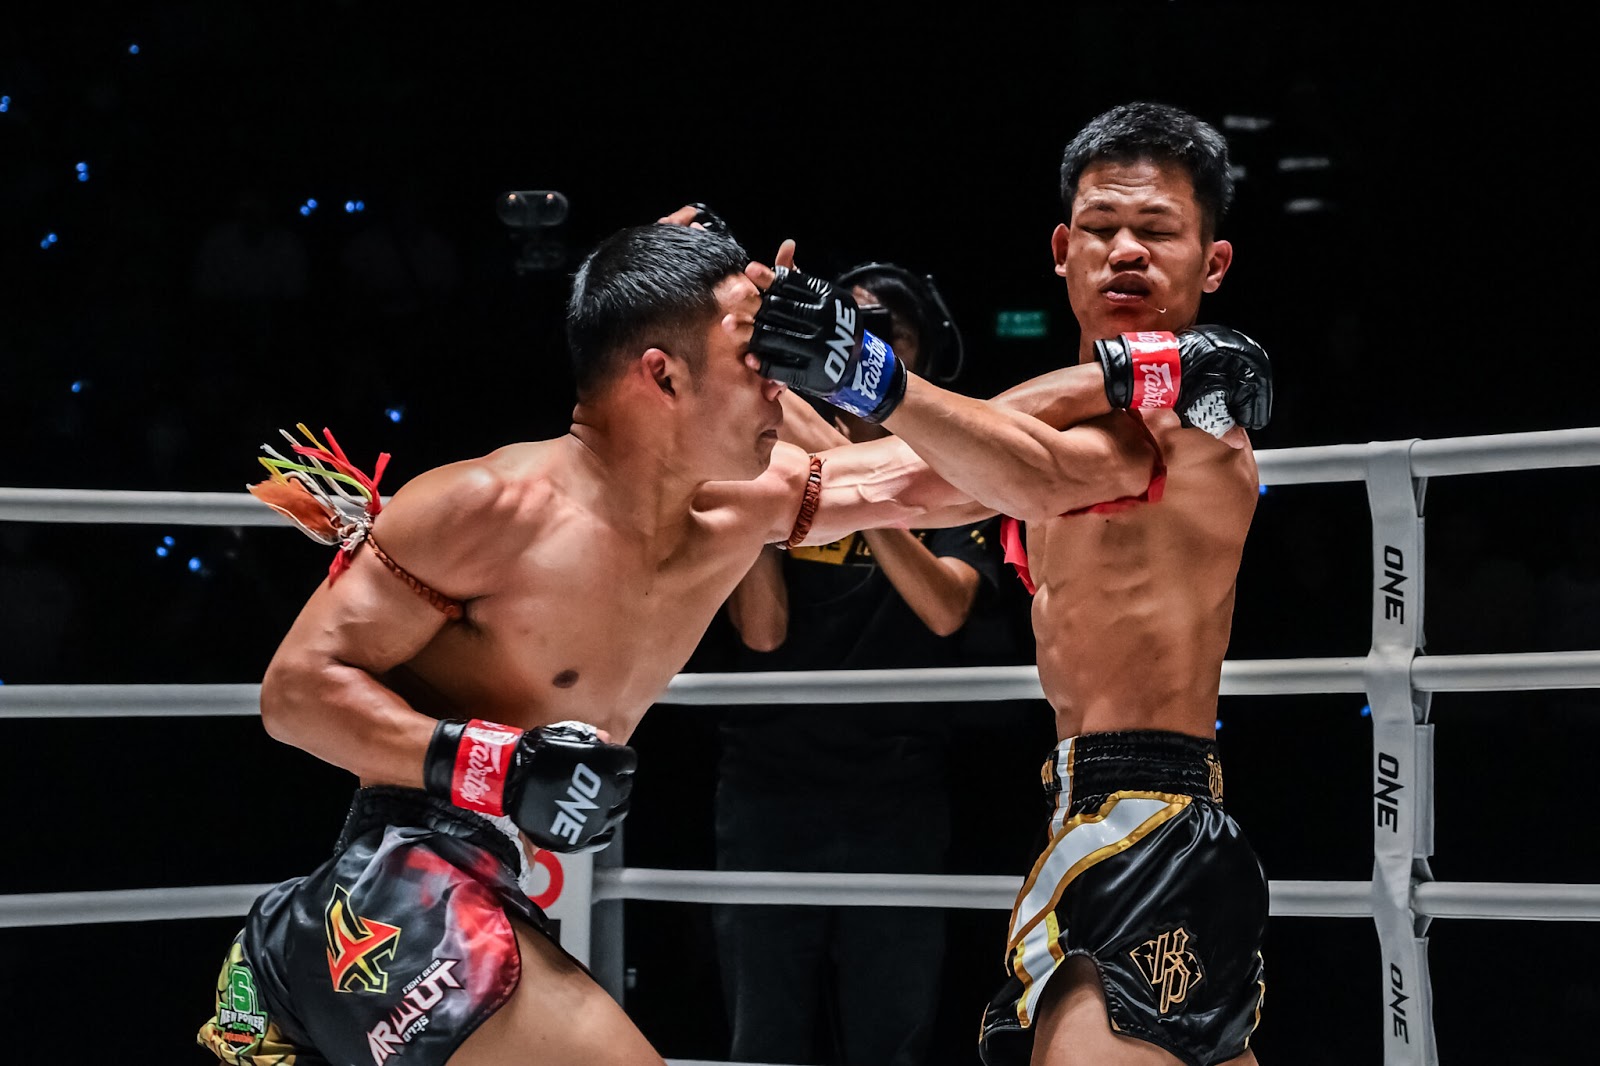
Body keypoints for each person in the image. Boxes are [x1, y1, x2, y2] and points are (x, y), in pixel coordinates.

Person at [192, 216, 1058, 1066]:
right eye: (755, 356)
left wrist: (1121, 382)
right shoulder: (492, 502)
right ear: (664, 377)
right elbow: (296, 692)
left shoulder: (735, 513)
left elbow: (950, 482)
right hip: (395, 890)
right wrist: (505, 765)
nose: (778, 383)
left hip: (486, 890)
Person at [741, 102, 1272, 1065]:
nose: (1126, 253)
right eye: (1103, 230)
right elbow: (901, 483)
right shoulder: (1049, 419)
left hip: (1146, 819)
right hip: (1105, 811)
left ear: (1213, 263)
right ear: (1062, 249)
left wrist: (866, 376)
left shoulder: (1188, 421)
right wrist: (766, 370)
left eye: (1157, 232)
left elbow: (1026, 473)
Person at [715, 262, 1003, 1066]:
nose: (865, 348)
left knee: (890, 1037)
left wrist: (862, 489)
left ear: (917, 358)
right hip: (769, 785)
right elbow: (762, 632)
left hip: (895, 792)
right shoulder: (779, 468)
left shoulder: (954, 475)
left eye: (888, 335)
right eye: (853, 330)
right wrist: (765, 488)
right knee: (764, 1039)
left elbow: (947, 607)